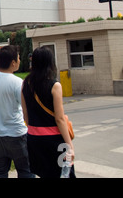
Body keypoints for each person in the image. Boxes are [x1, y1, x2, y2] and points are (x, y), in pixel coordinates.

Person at [0, 45, 35, 178]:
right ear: (13, 62)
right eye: (19, 58)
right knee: (26, 171)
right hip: (17, 134)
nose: (20, 61)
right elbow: (26, 110)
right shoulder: (18, 83)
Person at [21, 46, 75, 178]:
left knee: (45, 174)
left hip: (34, 139)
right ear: (50, 63)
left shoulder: (25, 83)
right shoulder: (54, 85)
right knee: (64, 174)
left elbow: (25, 114)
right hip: (54, 141)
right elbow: (59, 119)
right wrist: (70, 145)